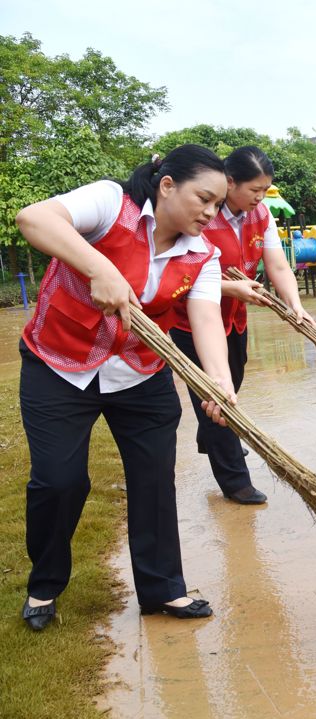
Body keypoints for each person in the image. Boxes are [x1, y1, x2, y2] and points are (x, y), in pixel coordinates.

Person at [15, 144, 235, 631]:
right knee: (58, 481)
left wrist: (218, 383)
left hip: (139, 374)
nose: (211, 213)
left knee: (155, 481)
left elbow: (207, 324)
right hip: (58, 365)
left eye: (219, 205)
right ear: (167, 184)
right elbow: (32, 218)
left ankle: (163, 591)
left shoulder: (204, 256)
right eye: (204, 198)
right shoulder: (111, 203)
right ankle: (44, 585)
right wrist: (101, 267)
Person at [170, 146, 315, 505]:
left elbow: (278, 265)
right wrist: (230, 286)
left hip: (234, 319)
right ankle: (235, 481)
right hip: (190, 323)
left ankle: (212, 435)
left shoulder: (261, 215)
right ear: (229, 182)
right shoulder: (201, 215)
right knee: (218, 399)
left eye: (265, 190)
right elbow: (181, 274)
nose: (260, 197)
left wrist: (295, 305)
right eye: (255, 190)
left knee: (233, 381)